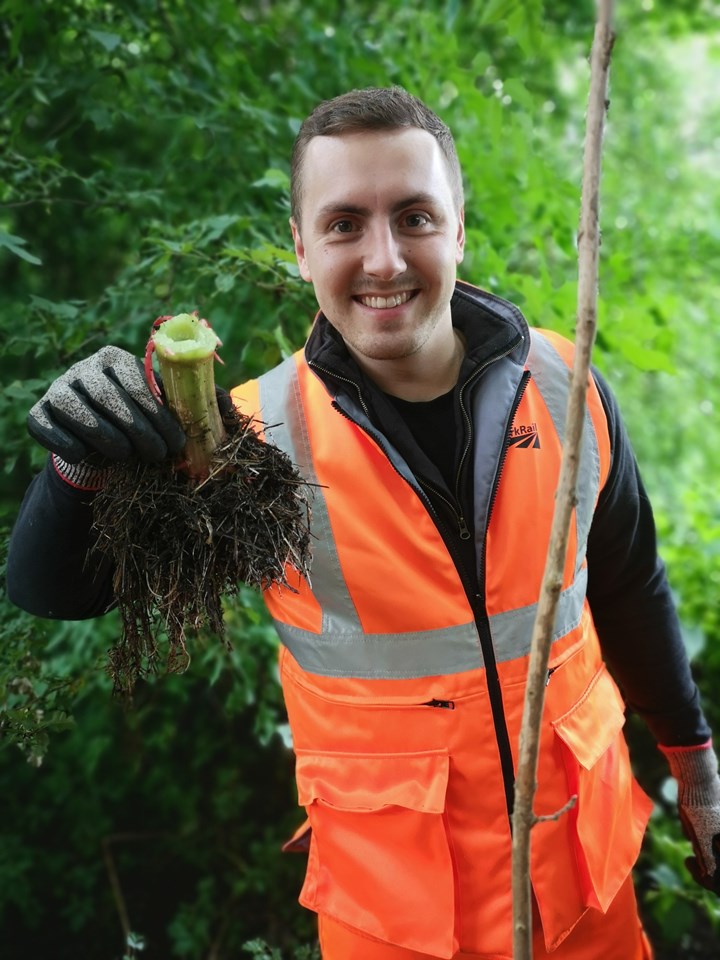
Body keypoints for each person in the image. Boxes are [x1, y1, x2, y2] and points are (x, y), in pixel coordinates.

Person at [7, 86, 720, 960]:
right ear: (303, 248)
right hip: (399, 926)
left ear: (459, 230)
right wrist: (79, 465)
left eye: (415, 216)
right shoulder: (243, 444)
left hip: (588, 897)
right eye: (345, 224)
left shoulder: (566, 386)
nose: (384, 259)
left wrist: (695, 761)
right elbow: (56, 591)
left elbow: (626, 581)